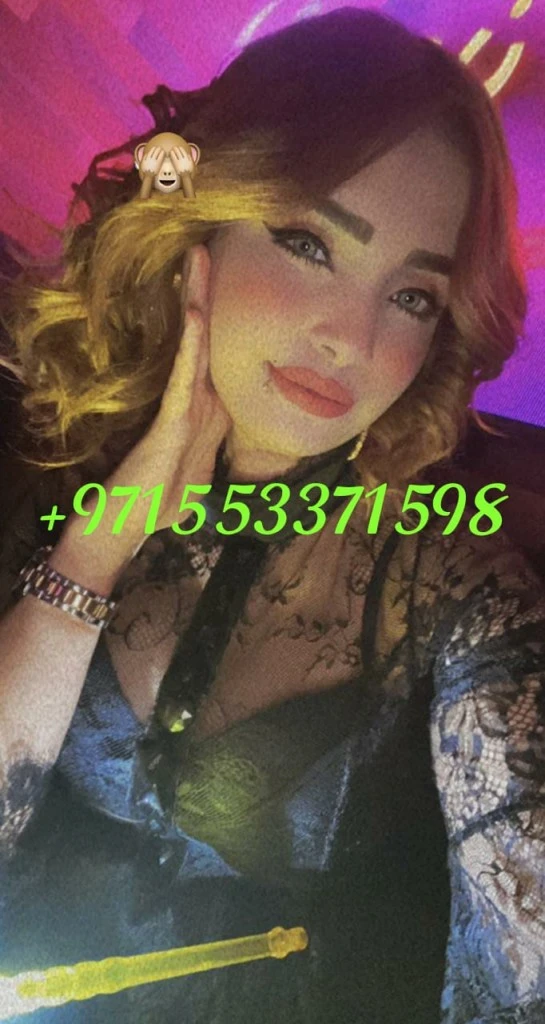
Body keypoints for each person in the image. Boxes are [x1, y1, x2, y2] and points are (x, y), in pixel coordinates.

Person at [0, 7, 544, 1023]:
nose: (350, 339)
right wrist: (91, 557)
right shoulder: (52, 452)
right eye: (307, 242)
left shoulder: (455, 582)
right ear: (201, 231)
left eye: (413, 297)